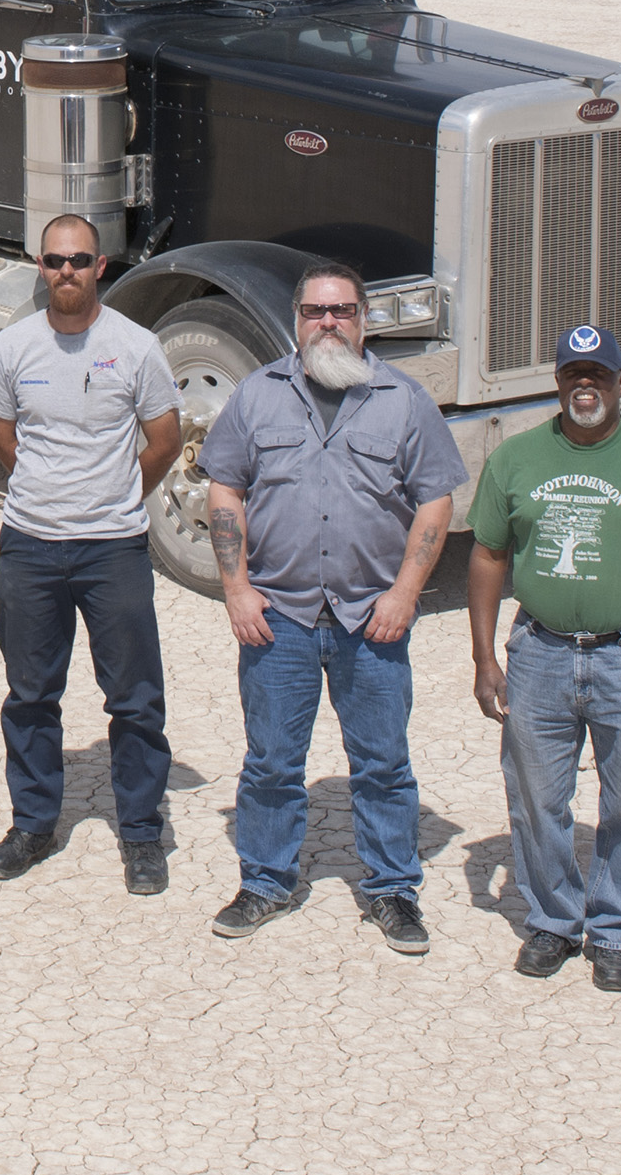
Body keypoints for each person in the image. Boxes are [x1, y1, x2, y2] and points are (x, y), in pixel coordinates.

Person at [199, 259, 467, 952]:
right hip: (277, 617)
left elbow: (436, 496)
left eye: (342, 311)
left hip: (371, 618)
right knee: (270, 762)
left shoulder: (403, 401)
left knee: (382, 763)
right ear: (296, 321)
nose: (328, 323)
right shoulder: (257, 396)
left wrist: (407, 592)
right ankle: (265, 880)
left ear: (364, 321)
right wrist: (236, 588)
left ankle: (392, 890)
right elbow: (224, 487)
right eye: (316, 312)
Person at [466, 321, 621, 994]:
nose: (587, 387)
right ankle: (552, 921)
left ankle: (615, 931)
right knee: (535, 798)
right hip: (539, 653)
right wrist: (484, 659)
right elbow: (488, 555)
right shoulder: (516, 460)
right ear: (557, 384)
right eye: (574, 376)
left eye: (599, 375)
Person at [0, 215, 184, 894]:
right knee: (31, 695)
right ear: (40, 266)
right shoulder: (13, 347)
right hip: (31, 546)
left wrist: (117, 496)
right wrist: (45, 493)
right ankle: (33, 823)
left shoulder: (136, 346)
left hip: (112, 549)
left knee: (134, 698)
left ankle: (143, 832)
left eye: (80, 261)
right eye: (56, 261)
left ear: (101, 267)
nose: (67, 272)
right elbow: (2, 436)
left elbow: (164, 440)